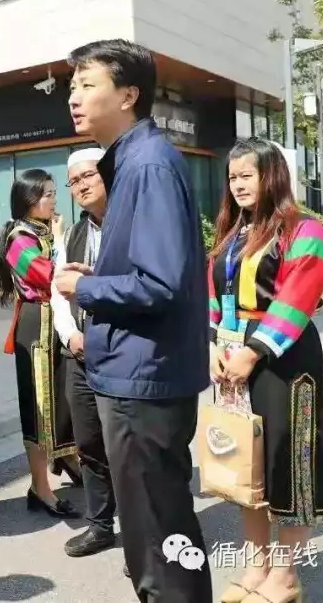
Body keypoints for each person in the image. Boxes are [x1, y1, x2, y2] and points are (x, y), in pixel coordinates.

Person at [54, 39, 211, 603]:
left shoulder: (147, 166)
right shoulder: (132, 163)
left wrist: (85, 287)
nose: (73, 97)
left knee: (160, 537)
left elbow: (161, 283)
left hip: (142, 378)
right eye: (72, 86)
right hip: (138, 373)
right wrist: (98, 275)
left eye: (86, 84)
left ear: (128, 95)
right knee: (155, 532)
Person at [207, 138, 323, 603]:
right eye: (232, 177)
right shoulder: (233, 233)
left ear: (272, 176)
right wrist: (213, 344)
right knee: (245, 462)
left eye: (248, 175)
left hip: (284, 360)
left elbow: (297, 298)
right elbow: (213, 293)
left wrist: (253, 351)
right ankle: (256, 565)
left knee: (288, 463)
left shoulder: (304, 231)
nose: (238, 185)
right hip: (232, 357)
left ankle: (286, 576)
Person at [0, 169, 80, 519]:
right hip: (36, 326)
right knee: (38, 407)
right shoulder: (19, 237)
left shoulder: (41, 231)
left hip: (56, 321)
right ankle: (40, 487)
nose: (53, 200)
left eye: (54, 193)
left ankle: (68, 458)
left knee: (62, 400)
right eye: (46, 194)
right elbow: (50, 276)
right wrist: (59, 240)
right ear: (28, 199)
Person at [50, 148, 118, 558]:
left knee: (127, 446)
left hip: (123, 352)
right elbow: (58, 290)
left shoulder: (129, 224)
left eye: (88, 176)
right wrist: (70, 335)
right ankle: (100, 525)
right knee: (90, 443)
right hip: (79, 351)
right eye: (73, 181)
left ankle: (143, 535)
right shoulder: (73, 233)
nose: (81, 186)